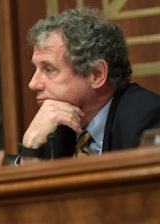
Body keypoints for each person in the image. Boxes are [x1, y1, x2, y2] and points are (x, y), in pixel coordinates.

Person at [17, 7, 160, 164]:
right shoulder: (55, 126)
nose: (33, 84)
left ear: (97, 74)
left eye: (49, 69)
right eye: (36, 69)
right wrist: (30, 150)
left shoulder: (145, 119)